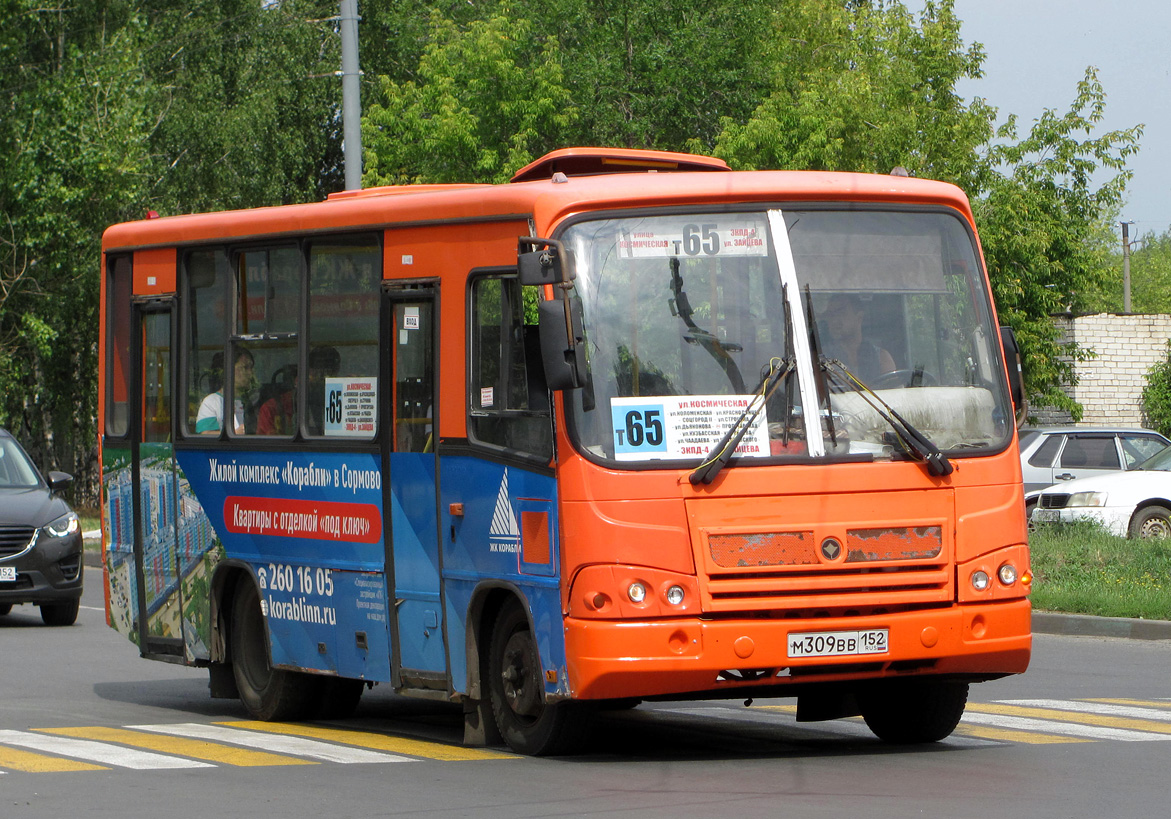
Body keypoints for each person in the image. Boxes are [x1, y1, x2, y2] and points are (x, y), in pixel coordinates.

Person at [820, 293, 895, 381]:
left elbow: (893, 393)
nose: (834, 320)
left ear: (859, 317)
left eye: (841, 313)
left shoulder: (881, 358)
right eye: (831, 315)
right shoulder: (822, 359)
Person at [196, 348, 255, 434]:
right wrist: (234, 434)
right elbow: (205, 435)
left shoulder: (251, 400)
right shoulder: (211, 402)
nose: (250, 373)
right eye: (245, 367)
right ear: (228, 370)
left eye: (251, 368)